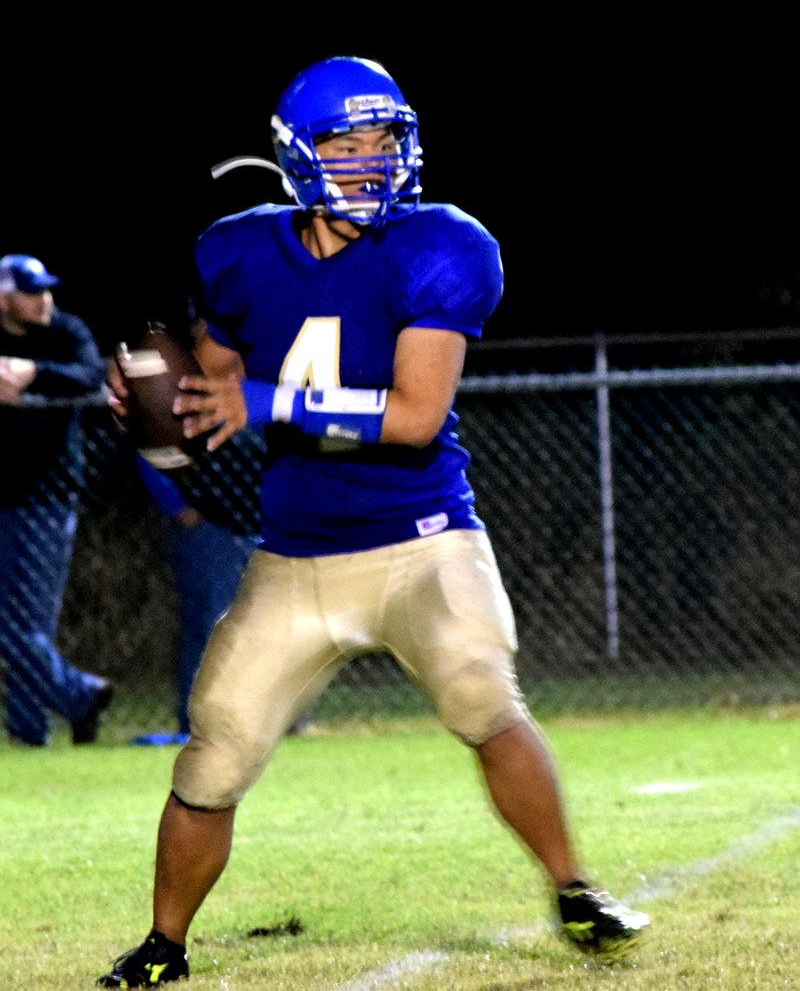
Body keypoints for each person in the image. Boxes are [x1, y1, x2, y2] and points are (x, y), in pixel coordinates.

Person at [97, 57, 649, 987]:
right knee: (217, 747)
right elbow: (214, 384)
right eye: (345, 146)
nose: (368, 164)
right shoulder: (237, 250)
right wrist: (157, 397)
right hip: (297, 557)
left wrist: (266, 399)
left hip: (422, 537)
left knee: (480, 689)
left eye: (382, 142)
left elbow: (416, 416)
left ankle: (576, 890)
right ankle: (164, 945)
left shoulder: (442, 244)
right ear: (296, 156)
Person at [0, 253, 114, 746]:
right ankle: (78, 697)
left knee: (27, 623)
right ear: (4, 297)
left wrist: (31, 371)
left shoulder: (65, 331)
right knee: (18, 626)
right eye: (31, 291)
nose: (44, 299)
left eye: (46, 289)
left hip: (48, 498)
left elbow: (92, 375)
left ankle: (31, 731)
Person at [130, 454, 257, 745]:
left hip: (259, 521)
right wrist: (177, 505)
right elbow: (148, 443)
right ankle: (204, 723)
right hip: (210, 525)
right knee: (209, 625)